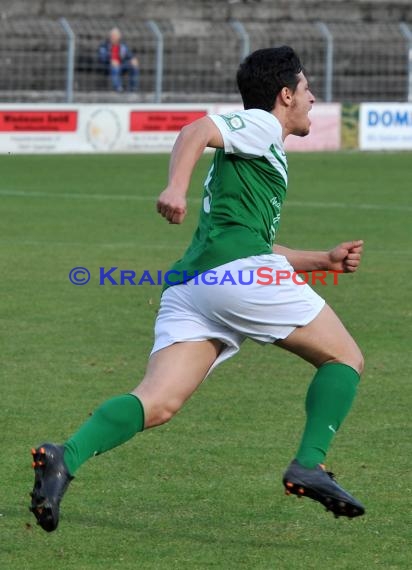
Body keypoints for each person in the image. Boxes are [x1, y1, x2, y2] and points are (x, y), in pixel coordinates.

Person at [30, 46, 366, 533]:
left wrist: (323, 261)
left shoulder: (261, 148)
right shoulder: (262, 124)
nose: (314, 99)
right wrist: (175, 188)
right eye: (307, 89)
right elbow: (195, 131)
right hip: (236, 277)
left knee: (158, 401)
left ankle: (66, 455)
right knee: (345, 359)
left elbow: (253, 241)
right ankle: (309, 463)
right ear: (286, 94)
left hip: (193, 285)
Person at [98, 27, 139, 92]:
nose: (114, 37)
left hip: (121, 65)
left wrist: (132, 59)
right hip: (108, 66)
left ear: (119, 36)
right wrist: (110, 60)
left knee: (134, 65)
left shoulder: (123, 46)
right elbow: (102, 57)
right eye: (112, 35)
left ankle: (133, 88)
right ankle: (118, 89)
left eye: (116, 35)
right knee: (115, 67)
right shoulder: (104, 45)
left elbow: (129, 55)